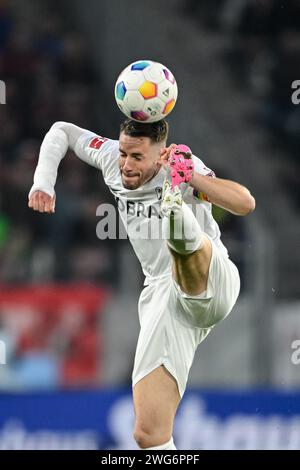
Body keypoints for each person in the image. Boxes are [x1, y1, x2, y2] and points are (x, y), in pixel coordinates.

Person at [28, 119, 255, 450]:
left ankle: (173, 206)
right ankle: (173, 211)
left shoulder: (185, 165)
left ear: (160, 154)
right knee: (148, 435)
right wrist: (43, 183)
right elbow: (61, 131)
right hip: (163, 299)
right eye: (124, 153)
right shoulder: (110, 158)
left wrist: (190, 176)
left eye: (137, 157)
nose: (126, 164)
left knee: (186, 240)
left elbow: (244, 203)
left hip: (212, 280)